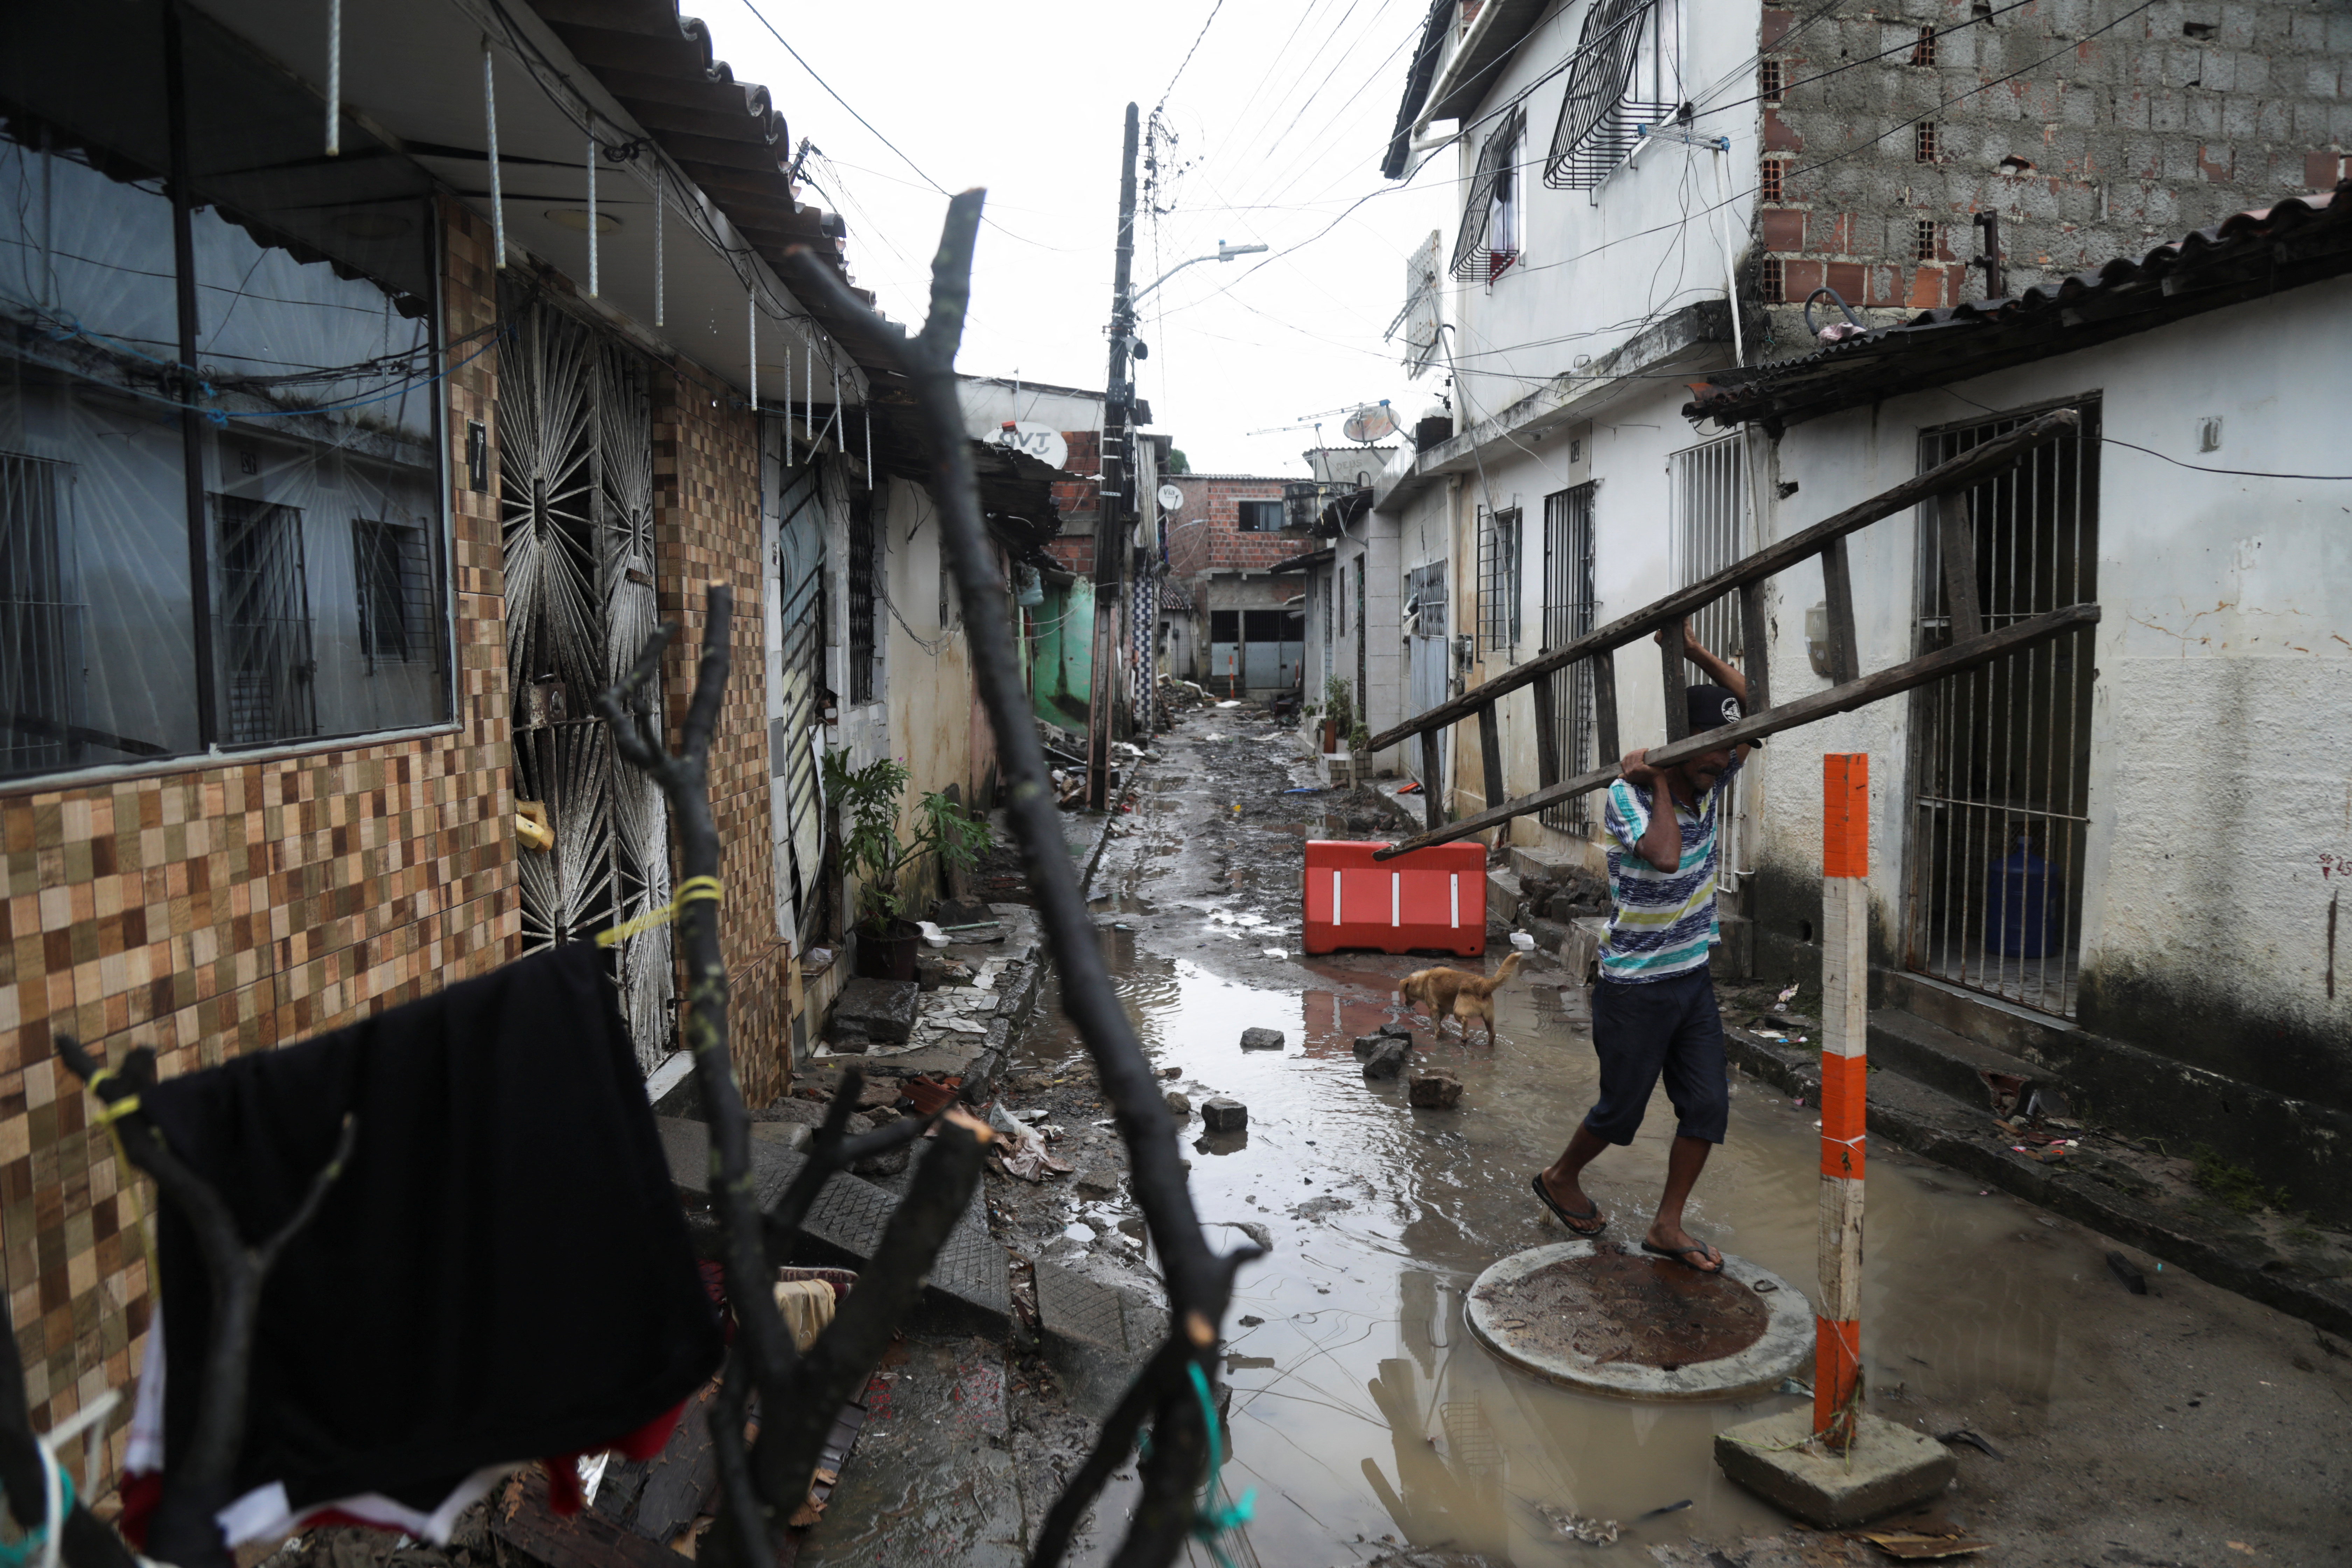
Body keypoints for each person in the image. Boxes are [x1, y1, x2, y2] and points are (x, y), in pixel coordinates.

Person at [1530, 622, 1756, 1273]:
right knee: (1622, 1111)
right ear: (1681, 753)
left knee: (1707, 1105)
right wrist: (1657, 782)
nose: (1724, 764)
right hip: (1633, 986)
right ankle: (1561, 1175)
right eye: (1711, 755)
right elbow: (1663, 855)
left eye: (1727, 753)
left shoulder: (1711, 777)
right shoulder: (1628, 798)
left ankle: (1666, 1225)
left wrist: (1691, 652)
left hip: (1691, 979)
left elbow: (1758, 706)